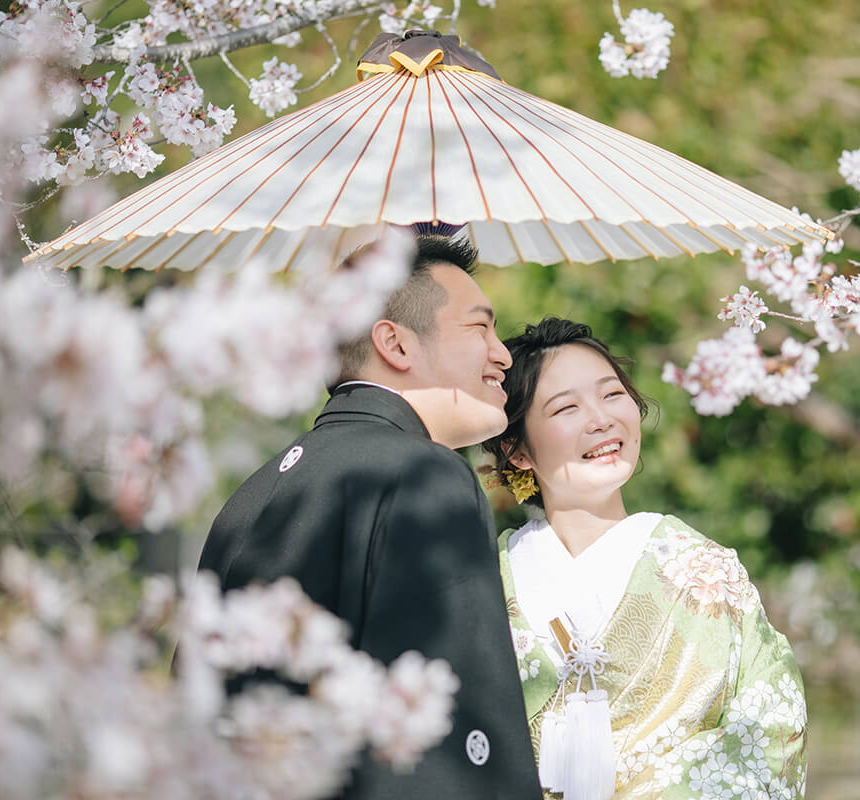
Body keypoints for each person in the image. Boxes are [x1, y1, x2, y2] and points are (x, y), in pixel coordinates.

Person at [197, 235, 542, 800]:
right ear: (395, 344)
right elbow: (445, 742)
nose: (503, 354)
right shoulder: (424, 473)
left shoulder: (253, 493)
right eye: (480, 328)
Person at [482, 317, 807, 800]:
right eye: (567, 407)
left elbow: (770, 725)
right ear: (517, 450)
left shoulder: (704, 569)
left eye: (612, 395)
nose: (601, 419)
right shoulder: (487, 581)